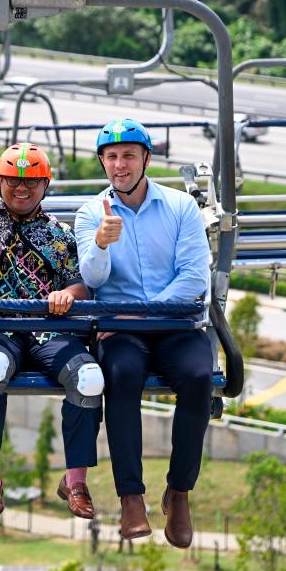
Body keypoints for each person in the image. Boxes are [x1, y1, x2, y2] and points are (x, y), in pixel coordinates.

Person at [0, 135, 104, 520]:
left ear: (45, 185)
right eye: (12, 179)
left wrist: (68, 293)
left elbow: (82, 282)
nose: (21, 188)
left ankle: (75, 480)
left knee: (89, 378)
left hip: (49, 329)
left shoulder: (61, 234)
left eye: (32, 181)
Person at [73, 118, 212, 548]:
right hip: (123, 332)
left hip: (171, 324)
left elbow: (194, 278)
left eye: (129, 155)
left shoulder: (180, 207)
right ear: (103, 163)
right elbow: (91, 279)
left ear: (146, 159)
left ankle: (180, 490)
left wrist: (141, 313)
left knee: (198, 378)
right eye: (111, 157)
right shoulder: (91, 213)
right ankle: (131, 496)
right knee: (123, 375)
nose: (120, 165)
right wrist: (100, 243)